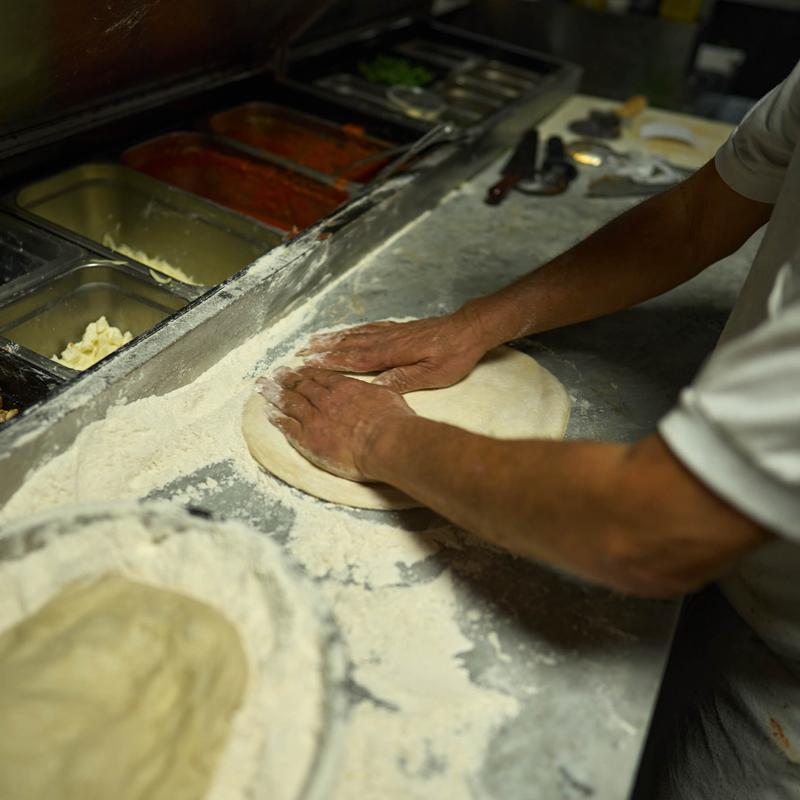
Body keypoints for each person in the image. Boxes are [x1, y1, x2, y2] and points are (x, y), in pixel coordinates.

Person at [262, 60, 800, 798]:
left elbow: (648, 526)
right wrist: (482, 322)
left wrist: (377, 439)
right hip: (748, 556)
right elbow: (696, 217)